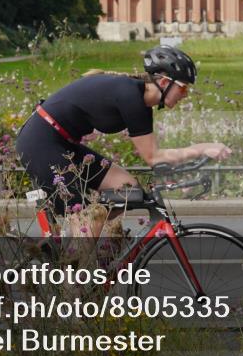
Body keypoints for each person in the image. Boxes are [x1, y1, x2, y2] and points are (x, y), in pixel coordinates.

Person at [15, 45, 231, 244]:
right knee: (91, 219)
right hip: (41, 142)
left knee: (127, 188)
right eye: (183, 89)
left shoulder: (141, 103)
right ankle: (74, 282)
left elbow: (154, 157)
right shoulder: (131, 96)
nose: (186, 95)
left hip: (61, 142)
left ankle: (83, 250)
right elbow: (153, 157)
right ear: (164, 82)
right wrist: (203, 148)